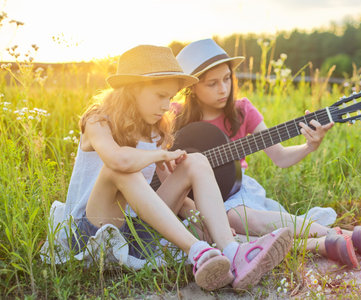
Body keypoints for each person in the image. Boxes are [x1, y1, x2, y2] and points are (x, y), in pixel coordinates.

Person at [40, 45, 293, 291]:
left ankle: (232, 251)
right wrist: (160, 154)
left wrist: (202, 219)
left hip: (139, 234)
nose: (166, 105)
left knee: (195, 161)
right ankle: (198, 252)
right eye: (160, 96)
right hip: (95, 229)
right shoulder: (98, 121)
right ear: (132, 89)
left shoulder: (155, 129)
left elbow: (170, 196)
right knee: (119, 171)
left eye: (170, 98)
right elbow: (118, 160)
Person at [173, 39, 361, 268]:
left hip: (234, 192)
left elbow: (280, 157)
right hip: (191, 200)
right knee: (224, 238)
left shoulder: (242, 110)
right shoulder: (174, 117)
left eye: (226, 78)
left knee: (235, 217)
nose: (223, 89)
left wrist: (309, 146)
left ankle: (338, 235)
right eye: (212, 83)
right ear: (191, 88)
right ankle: (324, 244)